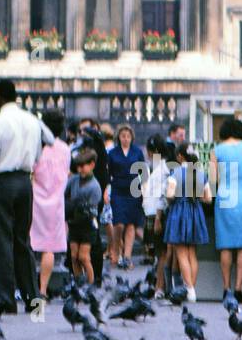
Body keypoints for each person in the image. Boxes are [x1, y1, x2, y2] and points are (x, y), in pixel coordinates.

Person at [0, 79, 49, 313]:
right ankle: (32, 296)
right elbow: (38, 156)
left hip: (2, 182)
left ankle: (7, 297)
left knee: (1, 239)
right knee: (22, 239)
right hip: (24, 182)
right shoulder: (31, 120)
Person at [209, 117, 242, 304]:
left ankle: (226, 288)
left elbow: (214, 179)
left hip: (226, 196)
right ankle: (239, 289)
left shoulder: (217, 150)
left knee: (226, 244)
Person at [163, 140, 211, 302]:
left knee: (181, 252)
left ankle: (189, 289)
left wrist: (173, 200)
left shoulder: (175, 173)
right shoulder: (200, 173)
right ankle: (191, 289)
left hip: (178, 211)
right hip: (195, 211)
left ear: (180, 156)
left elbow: (169, 195)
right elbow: (208, 198)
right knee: (192, 253)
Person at [30, 110, 71, 298]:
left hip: (36, 200)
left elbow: (30, 172)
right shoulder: (65, 149)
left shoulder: (37, 148)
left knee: (28, 245)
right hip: (56, 202)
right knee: (49, 248)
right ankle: (43, 289)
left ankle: (29, 286)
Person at [106, 124, 146, 269]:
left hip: (134, 191)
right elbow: (107, 173)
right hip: (118, 190)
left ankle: (127, 257)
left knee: (131, 224)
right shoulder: (112, 153)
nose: (126, 139)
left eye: (128, 136)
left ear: (132, 138)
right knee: (119, 224)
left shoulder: (137, 152)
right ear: (118, 137)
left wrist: (145, 190)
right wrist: (106, 190)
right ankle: (116, 250)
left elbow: (143, 172)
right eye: (123, 136)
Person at [65, 148, 102, 285]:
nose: (80, 170)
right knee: (74, 256)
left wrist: (77, 207)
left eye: (82, 166)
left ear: (92, 165)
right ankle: (79, 283)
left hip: (87, 224)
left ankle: (91, 285)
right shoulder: (74, 180)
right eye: (78, 167)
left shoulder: (95, 186)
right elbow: (66, 194)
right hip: (74, 223)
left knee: (84, 257)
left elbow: (92, 209)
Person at [142, 134, 170, 299]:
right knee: (158, 253)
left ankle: (160, 286)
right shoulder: (158, 168)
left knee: (162, 253)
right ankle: (159, 285)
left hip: (156, 214)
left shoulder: (163, 169)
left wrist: (159, 218)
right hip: (152, 213)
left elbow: (161, 196)